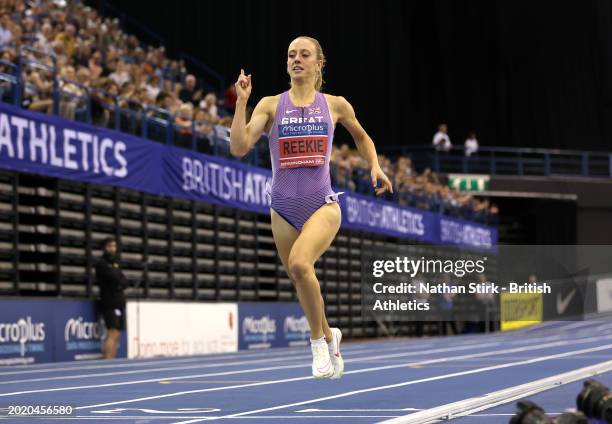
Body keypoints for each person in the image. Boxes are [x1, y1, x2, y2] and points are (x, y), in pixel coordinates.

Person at [229, 36, 393, 379]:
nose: (296, 59)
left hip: (322, 204)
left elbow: (362, 137)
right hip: (282, 208)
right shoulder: (270, 105)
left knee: (301, 265)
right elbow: (240, 147)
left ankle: (318, 342)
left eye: (304, 54)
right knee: (300, 276)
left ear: (320, 63)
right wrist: (242, 102)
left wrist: (374, 165)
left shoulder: (335, 104)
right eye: (291, 55)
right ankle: (332, 335)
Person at [95, 237, 128, 359]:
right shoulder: (102, 264)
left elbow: (124, 280)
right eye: (110, 246)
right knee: (112, 331)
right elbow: (115, 277)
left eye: (114, 246)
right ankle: (107, 360)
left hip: (119, 301)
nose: (112, 249)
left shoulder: (116, 263)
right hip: (109, 301)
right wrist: (119, 280)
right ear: (104, 248)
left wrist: (120, 281)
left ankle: (112, 360)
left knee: (117, 333)